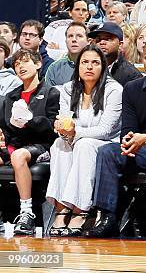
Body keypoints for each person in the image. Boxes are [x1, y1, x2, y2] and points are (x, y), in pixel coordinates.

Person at [83, 38, 146, 240]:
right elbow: (127, 131)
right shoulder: (131, 88)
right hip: (144, 151)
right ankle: (107, 217)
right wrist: (130, 140)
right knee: (108, 152)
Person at [46, 45, 122, 236]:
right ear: (78, 67)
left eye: (95, 63)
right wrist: (63, 131)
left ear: (103, 67)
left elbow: (106, 130)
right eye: (85, 62)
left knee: (84, 145)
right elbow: (65, 123)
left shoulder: (114, 90)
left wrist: (74, 133)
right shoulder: (68, 89)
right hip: (76, 140)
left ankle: (81, 208)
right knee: (59, 144)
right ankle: (62, 207)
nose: (89, 67)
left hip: (107, 144)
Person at [0, 49, 59, 235]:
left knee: (18, 156)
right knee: (14, 153)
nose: (20, 66)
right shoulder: (11, 96)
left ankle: (26, 213)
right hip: (16, 144)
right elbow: (8, 128)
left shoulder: (51, 93)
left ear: (38, 64)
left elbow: (53, 127)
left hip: (43, 146)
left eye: (25, 62)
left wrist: (30, 120)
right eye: (17, 64)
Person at [44, 22, 89, 87]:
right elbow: (49, 94)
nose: (74, 40)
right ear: (65, 41)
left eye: (79, 36)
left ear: (88, 41)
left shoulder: (96, 65)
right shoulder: (55, 68)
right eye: (70, 36)